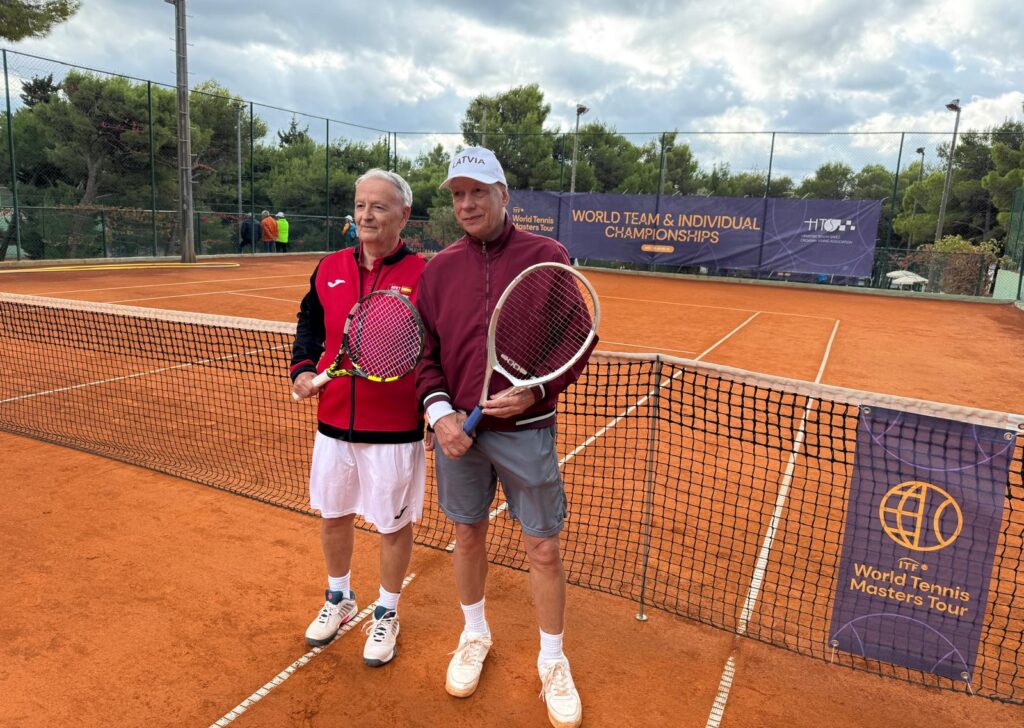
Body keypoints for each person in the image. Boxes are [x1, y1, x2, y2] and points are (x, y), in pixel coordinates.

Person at [415, 147, 594, 728]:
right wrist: (439, 414)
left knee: (543, 547)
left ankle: (552, 659)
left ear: (503, 195)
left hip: (526, 430)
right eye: (457, 195)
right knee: (467, 535)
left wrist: (536, 391)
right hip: (459, 436)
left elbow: (578, 340)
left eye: (478, 192)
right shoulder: (439, 270)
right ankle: (475, 635)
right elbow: (425, 353)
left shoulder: (546, 257)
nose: (467, 204)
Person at [291, 169, 427, 666]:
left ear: (404, 215)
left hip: (394, 429)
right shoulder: (328, 267)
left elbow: (439, 349)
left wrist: (438, 410)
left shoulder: (425, 275)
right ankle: (339, 597)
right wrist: (304, 369)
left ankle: (386, 610)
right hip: (332, 424)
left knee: (392, 525)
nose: (366, 215)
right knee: (334, 515)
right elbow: (309, 324)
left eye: (379, 206)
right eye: (361, 205)